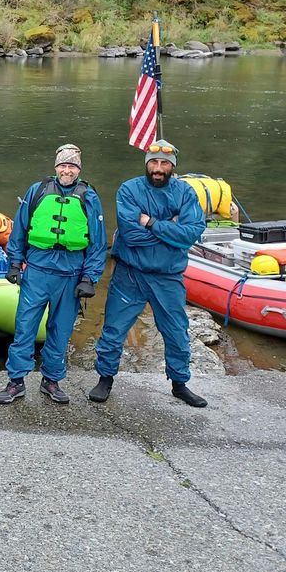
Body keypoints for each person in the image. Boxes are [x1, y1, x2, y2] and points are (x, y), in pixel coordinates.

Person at [89, 139, 208, 407]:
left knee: (177, 330)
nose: (158, 167)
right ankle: (105, 378)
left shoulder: (186, 193)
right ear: (146, 164)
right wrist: (169, 230)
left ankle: (180, 383)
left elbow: (190, 234)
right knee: (114, 329)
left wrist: (151, 222)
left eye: (164, 163)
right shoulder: (129, 189)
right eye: (153, 162)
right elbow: (130, 234)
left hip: (167, 276)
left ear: (172, 166)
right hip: (130, 274)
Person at [0, 144, 107, 406]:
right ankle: (16, 381)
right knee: (25, 327)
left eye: (72, 166)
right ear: (56, 167)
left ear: (78, 169)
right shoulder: (37, 191)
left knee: (60, 330)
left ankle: (51, 380)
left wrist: (89, 278)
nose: (67, 170)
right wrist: (15, 263)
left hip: (70, 275)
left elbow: (97, 243)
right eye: (63, 165)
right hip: (36, 271)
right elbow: (20, 229)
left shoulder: (89, 197)